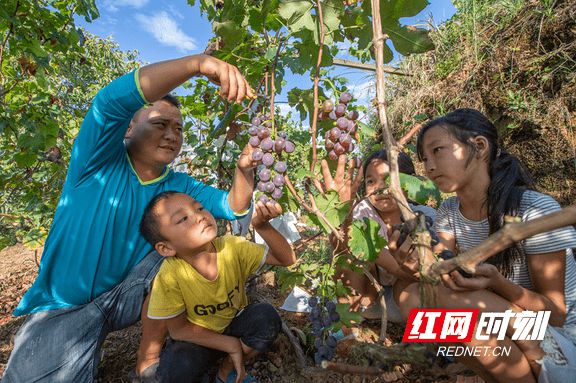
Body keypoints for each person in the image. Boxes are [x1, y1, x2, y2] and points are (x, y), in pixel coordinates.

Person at [3, 54, 258, 383]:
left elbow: (232, 206)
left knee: (179, 244)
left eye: (179, 128)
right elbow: (108, 102)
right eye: (160, 124)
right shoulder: (98, 160)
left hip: (128, 297)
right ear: (129, 128)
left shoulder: (178, 187)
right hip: (65, 306)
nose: (172, 134)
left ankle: (147, 358)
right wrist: (198, 64)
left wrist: (243, 172)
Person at [398, 108, 576, 382]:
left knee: (446, 302)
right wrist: (421, 262)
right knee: (413, 300)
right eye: (424, 159)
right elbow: (441, 268)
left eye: (438, 151)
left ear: (479, 146)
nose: (429, 167)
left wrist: (496, 283)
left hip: (560, 337)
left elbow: (557, 314)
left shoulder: (535, 209)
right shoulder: (448, 211)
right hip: (511, 324)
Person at [140, 191, 296, 383]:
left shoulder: (231, 248)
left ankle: (225, 372)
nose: (199, 216)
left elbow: (286, 258)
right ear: (166, 248)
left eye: (199, 208)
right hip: (197, 339)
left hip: (233, 324)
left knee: (267, 318)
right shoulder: (170, 276)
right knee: (174, 372)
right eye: (183, 219)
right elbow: (179, 330)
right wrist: (230, 345)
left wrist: (262, 226)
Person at [321, 152, 436, 322]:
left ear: (408, 183)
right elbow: (341, 245)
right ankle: (347, 331)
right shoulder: (361, 213)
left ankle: (431, 337)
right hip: (369, 301)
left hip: (407, 299)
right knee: (346, 259)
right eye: (371, 181)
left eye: (387, 179)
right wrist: (343, 212)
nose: (379, 188)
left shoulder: (427, 217)